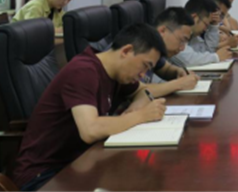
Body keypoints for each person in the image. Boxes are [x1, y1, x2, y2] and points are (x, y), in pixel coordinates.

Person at [11, 23, 174, 192]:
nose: (143, 74)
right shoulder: (83, 71)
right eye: (145, 65)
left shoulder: (115, 71)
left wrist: (135, 108)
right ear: (126, 51)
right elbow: (90, 130)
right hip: (44, 177)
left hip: (79, 163)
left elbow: (142, 91)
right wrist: (140, 116)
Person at [170, 0, 233, 68]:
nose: (205, 29)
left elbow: (208, 51)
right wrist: (216, 57)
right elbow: (188, 60)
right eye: (206, 24)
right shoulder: (174, 31)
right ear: (194, 17)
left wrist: (213, 26)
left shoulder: (193, 35)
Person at [146, 7, 201, 90]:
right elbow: (138, 91)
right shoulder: (141, 49)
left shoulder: (156, 52)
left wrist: (179, 72)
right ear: (162, 31)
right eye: (182, 40)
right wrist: (179, 84)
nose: (182, 48)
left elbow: (165, 69)